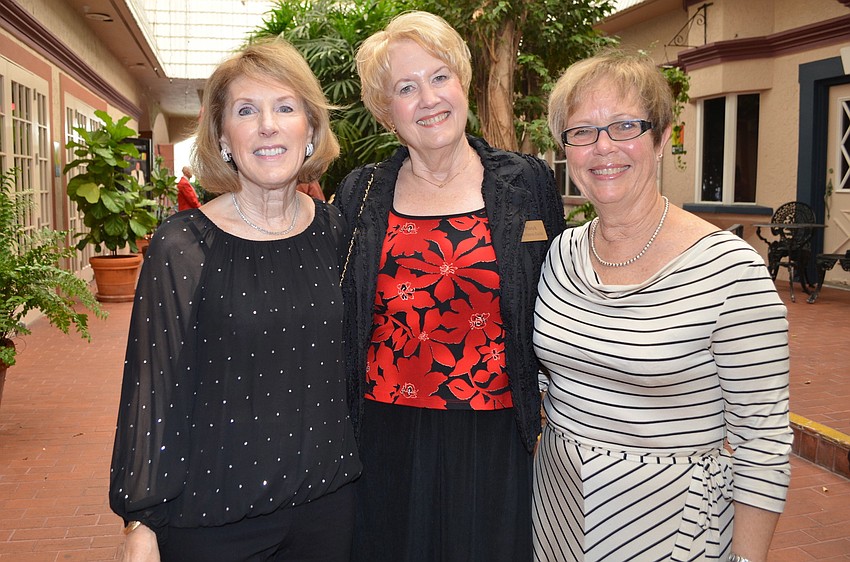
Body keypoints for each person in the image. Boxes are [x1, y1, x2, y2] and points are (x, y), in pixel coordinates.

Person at [533, 48, 792, 562]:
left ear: (659, 136)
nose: (603, 148)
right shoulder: (559, 254)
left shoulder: (729, 269)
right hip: (557, 515)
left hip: (672, 526)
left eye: (625, 125)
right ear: (567, 151)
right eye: (582, 131)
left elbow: (763, 438)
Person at [109, 37, 361, 562]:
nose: (268, 125)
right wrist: (140, 520)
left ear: (310, 129)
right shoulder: (182, 245)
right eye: (247, 110)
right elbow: (152, 390)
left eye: (285, 107)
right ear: (223, 137)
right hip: (213, 523)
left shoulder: (338, 234)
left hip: (329, 512)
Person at [334, 11, 565, 562]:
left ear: (462, 83)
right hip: (385, 437)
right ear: (386, 110)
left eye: (439, 77)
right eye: (405, 88)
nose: (428, 98)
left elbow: (558, 291)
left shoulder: (526, 182)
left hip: (497, 436)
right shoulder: (360, 193)